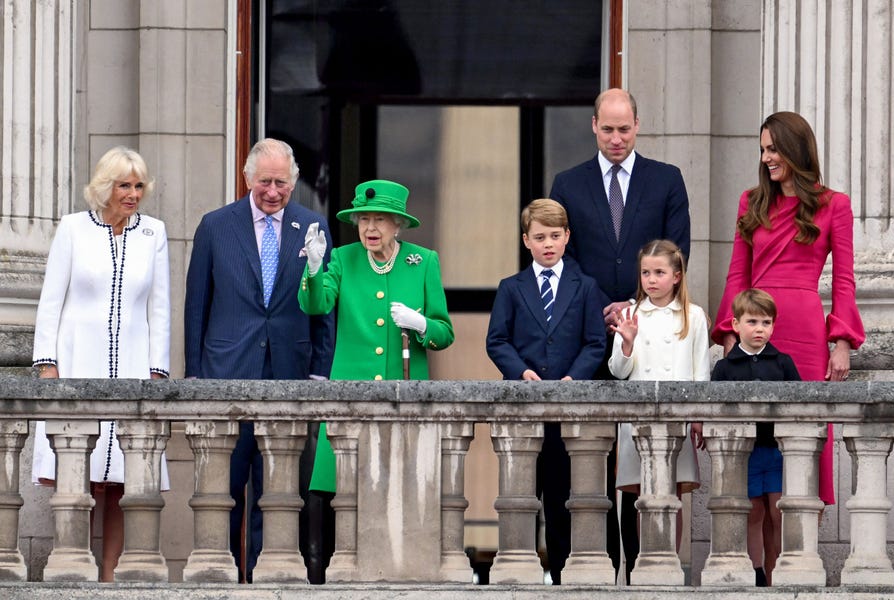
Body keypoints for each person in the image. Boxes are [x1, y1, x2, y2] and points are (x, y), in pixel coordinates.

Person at [549, 87, 691, 579]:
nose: (615, 138)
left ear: (638, 125)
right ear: (593, 126)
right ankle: (595, 565)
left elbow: (677, 251)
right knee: (587, 456)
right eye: (607, 129)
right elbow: (560, 259)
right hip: (586, 337)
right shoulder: (568, 183)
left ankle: (643, 568)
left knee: (642, 462)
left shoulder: (666, 179)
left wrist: (633, 303)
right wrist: (599, 308)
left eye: (624, 129)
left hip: (648, 334)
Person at [184, 138, 335, 583]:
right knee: (223, 493)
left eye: (282, 183)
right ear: (248, 178)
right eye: (265, 181)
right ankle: (224, 579)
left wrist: (320, 371)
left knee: (278, 494)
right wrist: (194, 371)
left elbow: (323, 304)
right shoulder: (215, 225)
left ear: (294, 182)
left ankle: (270, 579)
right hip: (226, 376)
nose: (273, 191)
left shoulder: (312, 225)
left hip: (289, 377)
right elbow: (198, 304)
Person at [711, 111, 865, 507]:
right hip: (756, 329)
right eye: (763, 150)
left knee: (806, 438)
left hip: (806, 332)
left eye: (774, 149)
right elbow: (736, 274)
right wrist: (730, 335)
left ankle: (802, 559)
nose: (766, 158)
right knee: (751, 441)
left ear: (796, 150)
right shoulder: (751, 201)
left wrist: (842, 341)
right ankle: (760, 568)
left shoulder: (835, 205)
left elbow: (845, 280)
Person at [31, 146, 170, 582]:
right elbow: (50, 302)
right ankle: (73, 568)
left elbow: (159, 309)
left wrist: (155, 373)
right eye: (124, 185)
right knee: (80, 477)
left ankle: (110, 577)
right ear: (104, 187)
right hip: (77, 365)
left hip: (132, 368)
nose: (132, 194)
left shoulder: (154, 232)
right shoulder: (73, 229)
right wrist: (47, 366)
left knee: (122, 482)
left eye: (138, 186)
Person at [485, 199, 608, 584]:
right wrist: (519, 371)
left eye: (555, 236)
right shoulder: (511, 288)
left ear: (567, 237)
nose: (548, 244)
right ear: (526, 240)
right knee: (520, 498)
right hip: (522, 411)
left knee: (561, 498)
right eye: (540, 237)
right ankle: (519, 576)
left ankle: (560, 577)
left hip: (566, 413)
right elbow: (497, 340)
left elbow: (594, 342)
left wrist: (575, 379)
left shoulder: (585, 287)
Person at [608, 239, 708, 555]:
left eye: (659, 273)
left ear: (677, 275)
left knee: (672, 496)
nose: (651, 280)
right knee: (644, 498)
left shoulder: (693, 316)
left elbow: (700, 373)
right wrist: (626, 343)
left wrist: (698, 417)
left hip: (675, 420)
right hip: (637, 422)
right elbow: (618, 371)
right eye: (646, 273)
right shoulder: (631, 313)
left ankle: (671, 563)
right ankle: (645, 564)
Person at [298, 179, 453, 379]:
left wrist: (422, 325)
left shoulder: (424, 262)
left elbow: (445, 335)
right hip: (351, 389)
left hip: (406, 392)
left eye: (379, 219)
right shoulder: (344, 258)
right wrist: (313, 267)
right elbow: (315, 305)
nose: (370, 228)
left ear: (398, 224)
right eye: (363, 219)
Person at [711, 288, 801, 586]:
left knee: (778, 513)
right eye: (752, 322)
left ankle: (777, 573)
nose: (759, 329)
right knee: (753, 514)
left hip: (775, 451)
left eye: (766, 322)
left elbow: (799, 405)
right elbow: (717, 411)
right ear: (736, 325)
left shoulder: (783, 362)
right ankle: (756, 574)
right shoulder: (724, 367)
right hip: (744, 454)